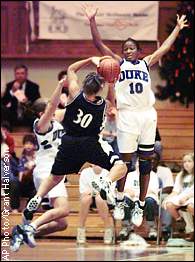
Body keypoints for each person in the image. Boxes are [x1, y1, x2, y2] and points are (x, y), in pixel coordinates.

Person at [83, 4, 189, 225]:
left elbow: (165, 49)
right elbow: (98, 44)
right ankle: (120, 200)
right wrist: (92, 21)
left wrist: (177, 29)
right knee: (126, 160)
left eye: (132, 48)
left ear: (139, 51)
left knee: (146, 161)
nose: (128, 51)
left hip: (147, 115)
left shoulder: (146, 62)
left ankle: (140, 205)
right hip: (127, 115)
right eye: (125, 48)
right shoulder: (117, 64)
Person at [14, 56, 127, 247]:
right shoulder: (103, 105)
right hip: (90, 143)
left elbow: (71, 70)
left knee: (56, 177)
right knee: (121, 166)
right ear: (99, 88)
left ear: (84, 86)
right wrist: (112, 82)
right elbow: (111, 100)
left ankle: (38, 197)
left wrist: (90, 60)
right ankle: (106, 182)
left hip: (68, 143)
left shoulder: (74, 95)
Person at [10, 82, 69, 252]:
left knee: (62, 223)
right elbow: (52, 104)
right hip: (47, 170)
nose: (56, 109)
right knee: (64, 209)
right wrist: (59, 85)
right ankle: (30, 227)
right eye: (52, 108)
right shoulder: (41, 125)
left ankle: (22, 233)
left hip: (54, 170)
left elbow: (73, 106)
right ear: (43, 113)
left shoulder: (55, 120)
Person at [77, 165, 115, 245]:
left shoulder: (109, 172)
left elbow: (110, 192)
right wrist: (92, 193)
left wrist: (99, 193)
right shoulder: (85, 172)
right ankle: (80, 229)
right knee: (85, 199)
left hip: (106, 199)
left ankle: (108, 228)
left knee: (99, 198)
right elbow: (83, 192)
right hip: (90, 197)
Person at [162, 152, 194, 239]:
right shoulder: (180, 175)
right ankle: (181, 221)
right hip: (182, 197)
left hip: (191, 197)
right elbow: (175, 191)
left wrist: (186, 197)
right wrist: (168, 198)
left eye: (189, 161)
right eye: (184, 162)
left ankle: (191, 229)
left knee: (190, 207)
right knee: (168, 204)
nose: (186, 163)